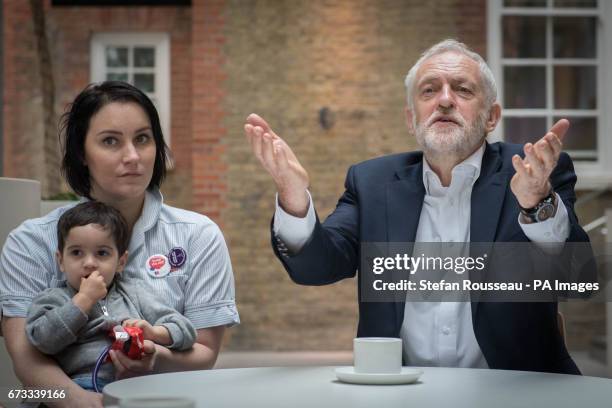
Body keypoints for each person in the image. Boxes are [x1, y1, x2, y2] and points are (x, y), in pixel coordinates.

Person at [244, 39, 590, 374]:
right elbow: (317, 267)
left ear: (491, 117)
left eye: (463, 89)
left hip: (515, 390)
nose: (444, 101)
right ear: (411, 119)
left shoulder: (532, 174)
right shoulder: (372, 182)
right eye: (429, 90)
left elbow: (575, 277)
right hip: (399, 388)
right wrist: (292, 196)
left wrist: (537, 203)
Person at [1, 81, 239, 408]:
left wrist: (155, 355)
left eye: (143, 139)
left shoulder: (198, 236)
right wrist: (85, 403)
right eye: (110, 141)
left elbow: (205, 352)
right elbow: (26, 361)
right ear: (81, 153)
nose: (132, 156)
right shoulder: (31, 242)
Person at [26, 201, 196, 392]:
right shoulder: (53, 298)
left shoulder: (134, 293)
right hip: (79, 386)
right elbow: (42, 341)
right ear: (61, 261)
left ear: (121, 262)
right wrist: (82, 301)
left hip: (134, 387)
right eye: (76, 252)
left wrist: (154, 333)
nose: (89, 263)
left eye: (102, 253)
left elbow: (187, 331)